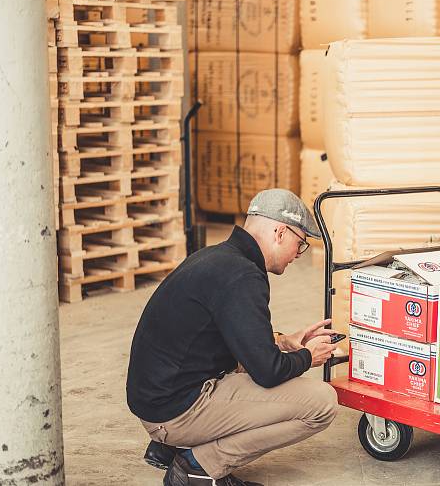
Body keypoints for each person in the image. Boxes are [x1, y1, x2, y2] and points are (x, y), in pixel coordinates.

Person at [126, 189, 339, 486]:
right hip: (174, 412)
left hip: (159, 399)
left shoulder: (219, 258)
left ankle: (171, 447)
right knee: (322, 403)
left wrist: (284, 341)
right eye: (300, 244)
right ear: (280, 232)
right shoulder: (242, 276)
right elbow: (267, 372)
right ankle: (197, 465)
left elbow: (228, 337)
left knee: (251, 363)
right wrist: (307, 357)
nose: (296, 255)